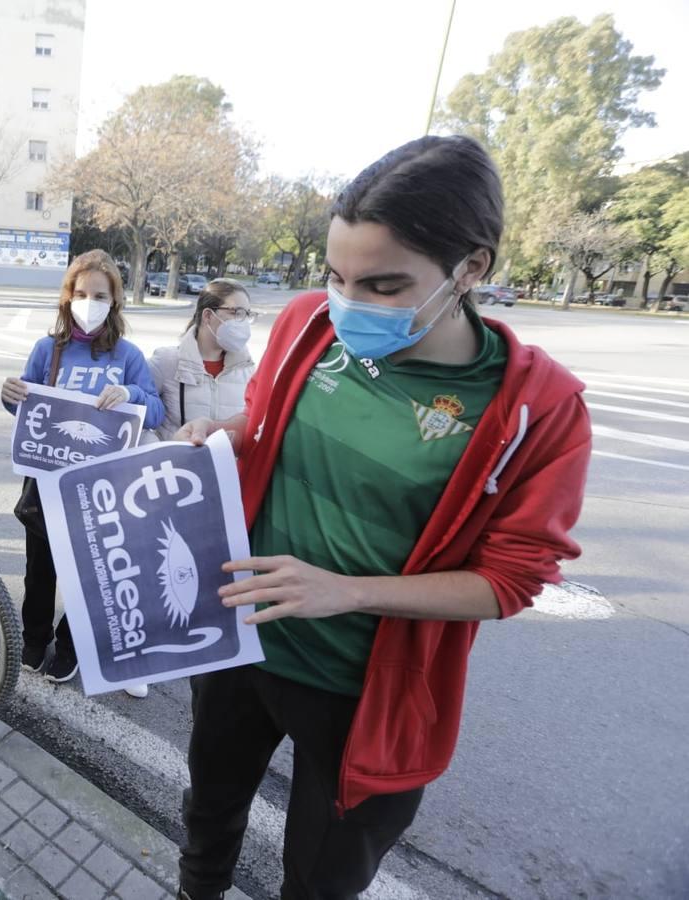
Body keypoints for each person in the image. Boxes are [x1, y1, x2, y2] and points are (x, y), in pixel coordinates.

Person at [172, 135, 592, 900]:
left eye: (385, 285)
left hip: (363, 692)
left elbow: (510, 581)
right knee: (206, 829)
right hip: (238, 646)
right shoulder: (308, 325)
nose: (349, 303)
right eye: (337, 276)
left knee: (322, 882)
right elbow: (262, 429)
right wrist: (217, 437)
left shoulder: (540, 408)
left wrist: (349, 590)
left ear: (471, 268)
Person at [0, 249, 165, 690]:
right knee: (39, 573)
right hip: (47, 485)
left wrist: (129, 393)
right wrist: (10, 393)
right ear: (68, 296)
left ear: (114, 302)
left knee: (86, 574)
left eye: (100, 295)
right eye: (82, 293)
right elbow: (23, 407)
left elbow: (154, 409)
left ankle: (69, 646)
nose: (89, 302)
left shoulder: (127, 355)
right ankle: (33, 639)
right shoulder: (46, 349)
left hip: (98, 491)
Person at [147, 279, 257, 442]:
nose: (243, 323)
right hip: (176, 466)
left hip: (224, 467)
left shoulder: (248, 371)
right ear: (207, 315)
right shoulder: (166, 362)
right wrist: (165, 450)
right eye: (236, 313)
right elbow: (138, 421)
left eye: (246, 315)